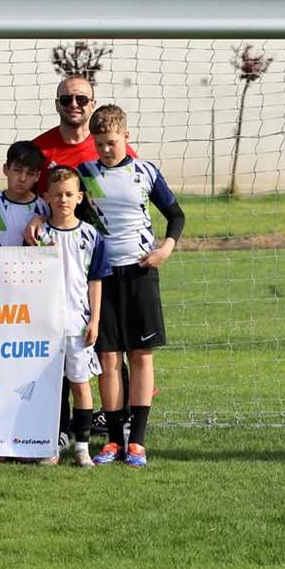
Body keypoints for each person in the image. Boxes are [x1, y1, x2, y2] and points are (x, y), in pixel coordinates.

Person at [31, 75, 137, 437]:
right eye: (66, 99)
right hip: (58, 261)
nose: (73, 105)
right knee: (57, 342)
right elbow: (32, 195)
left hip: (107, 258)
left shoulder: (107, 144)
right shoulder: (42, 149)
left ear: (92, 103)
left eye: (81, 99)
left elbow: (133, 190)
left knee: (107, 341)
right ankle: (60, 425)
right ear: (57, 104)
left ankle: (117, 417)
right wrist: (37, 217)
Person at [81, 105, 185, 468]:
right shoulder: (86, 175)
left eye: (111, 142)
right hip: (103, 278)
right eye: (99, 144)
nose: (106, 149)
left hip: (141, 273)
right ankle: (113, 439)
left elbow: (176, 215)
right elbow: (65, 212)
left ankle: (137, 441)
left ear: (126, 136)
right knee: (108, 358)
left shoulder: (145, 172)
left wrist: (166, 249)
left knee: (140, 355)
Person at [36, 166, 111, 467]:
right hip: (45, 325)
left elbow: (95, 281)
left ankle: (82, 448)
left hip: (77, 324)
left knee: (80, 385)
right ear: (47, 197)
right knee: (50, 389)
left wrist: (94, 320)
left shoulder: (91, 235)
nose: (63, 200)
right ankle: (50, 445)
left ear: (80, 197)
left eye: (69, 194)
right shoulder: (38, 235)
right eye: (57, 195)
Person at [0, 141, 49, 247]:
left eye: (29, 173)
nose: (22, 178)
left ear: (37, 176)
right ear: (6, 169)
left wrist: (43, 218)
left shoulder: (44, 209)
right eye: (17, 170)